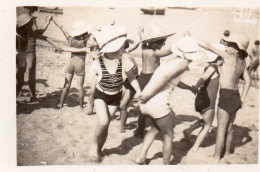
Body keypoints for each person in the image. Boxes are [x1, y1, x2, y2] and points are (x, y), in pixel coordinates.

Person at [135, 36, 202, 165]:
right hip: (155, 101)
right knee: (169, 134)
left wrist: (189, 88)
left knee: (155, 128)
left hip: (146, 103)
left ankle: (141, 157)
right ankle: (165, 166)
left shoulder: (170, 63)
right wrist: (148, 95)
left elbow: (173, 80)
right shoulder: (183, 64)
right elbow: (166, 78)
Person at [88, 25, 141, 162]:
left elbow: (131, 78)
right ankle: (94, 146)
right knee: (104, 121)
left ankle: (99, 149)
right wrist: (90, 97)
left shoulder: (124, 59)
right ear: (112, 49)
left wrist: (139, 91)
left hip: (115, 97)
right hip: (101, 95)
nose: (125, 49)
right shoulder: (97, 62)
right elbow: (93, 81)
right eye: (122, 47)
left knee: (106, 125)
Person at [198, 32, 251, 162]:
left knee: (221, 129)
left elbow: (207, 45)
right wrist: (243, 98)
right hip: (236, 95)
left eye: (229, 45)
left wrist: (195, 41)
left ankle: (216, 157)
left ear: (236, 48)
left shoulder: (227, 56)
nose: (226, 47)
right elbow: (248, 81)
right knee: (230, 128)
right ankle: (226, 153)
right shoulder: (242, 62)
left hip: (225, 95)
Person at [134, 24, 175, 138]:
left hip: (142, 77)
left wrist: (140, 31)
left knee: (142, 106)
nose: (164, 44)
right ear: (156, 42)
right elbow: (168, 51)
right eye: (163, 42)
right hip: (151, 78)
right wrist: (180, 44)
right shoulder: (155, 53)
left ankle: (140, 130)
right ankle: (154, 127)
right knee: (153, 103)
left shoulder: (144, 48)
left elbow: (143, 40)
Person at [183, 43, 225, 152]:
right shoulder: (213, 67)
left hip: (201, 98)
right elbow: (204, 77)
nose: (223, 62)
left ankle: (188, 131)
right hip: (208, 100)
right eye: (222, 59)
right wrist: (196, 86)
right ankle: (195, 148)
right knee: (207, 126)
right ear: (218, 57)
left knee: (205, 120)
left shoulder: (208, 66)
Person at [16, 13, 61, 100]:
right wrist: (47, 22)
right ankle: (19, 92)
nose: (30, 27)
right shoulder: (19, 30)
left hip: (29, 50)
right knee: (22, 70)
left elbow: (41, 35)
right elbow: (40, 33)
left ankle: (32, 95)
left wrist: (55, 45)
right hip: (21, 51)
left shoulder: (30, 22)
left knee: (30, 69)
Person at [51, 18, 93, 109]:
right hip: (80, 63)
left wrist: (54, 19)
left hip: (71, 62)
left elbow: (62, 27)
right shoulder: (86, 41)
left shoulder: (70, 39)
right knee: (80, 87)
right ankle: (81, 106)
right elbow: (95, 34)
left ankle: (61, 104)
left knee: (66, 85)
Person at [119, 27, 143, 132]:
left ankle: (121, 127)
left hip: (133, 81)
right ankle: (121, 123)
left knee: (123, 105)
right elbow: (136, 44)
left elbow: (137, 43)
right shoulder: (123, 53)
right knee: (121, 104)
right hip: (127, 81)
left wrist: (140, 33)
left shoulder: (124, 54)